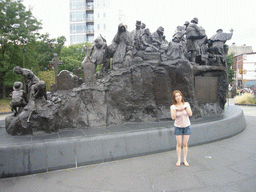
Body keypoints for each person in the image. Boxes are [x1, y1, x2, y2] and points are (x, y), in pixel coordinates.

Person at [170, 90, 193, 167]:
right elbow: (173, 117)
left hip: (186, 126)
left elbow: (190, 114)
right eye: (176, 96)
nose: (178, 97)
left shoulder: (186, 104)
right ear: (174, 98)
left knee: (185, 144)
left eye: (179, 95)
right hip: (178, 127)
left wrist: (185, 108)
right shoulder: (173, 106)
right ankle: (179, 159)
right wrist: (175, 110)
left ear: (181, 96)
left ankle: (185, 159)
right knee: (179, 144)